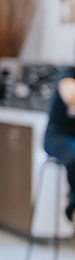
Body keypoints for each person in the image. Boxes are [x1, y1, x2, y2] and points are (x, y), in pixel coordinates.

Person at [44, 66, 75, 221]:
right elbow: (70, 95)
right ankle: (72, 204)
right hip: (57, 137)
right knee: (73, 156)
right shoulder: (67, 73)